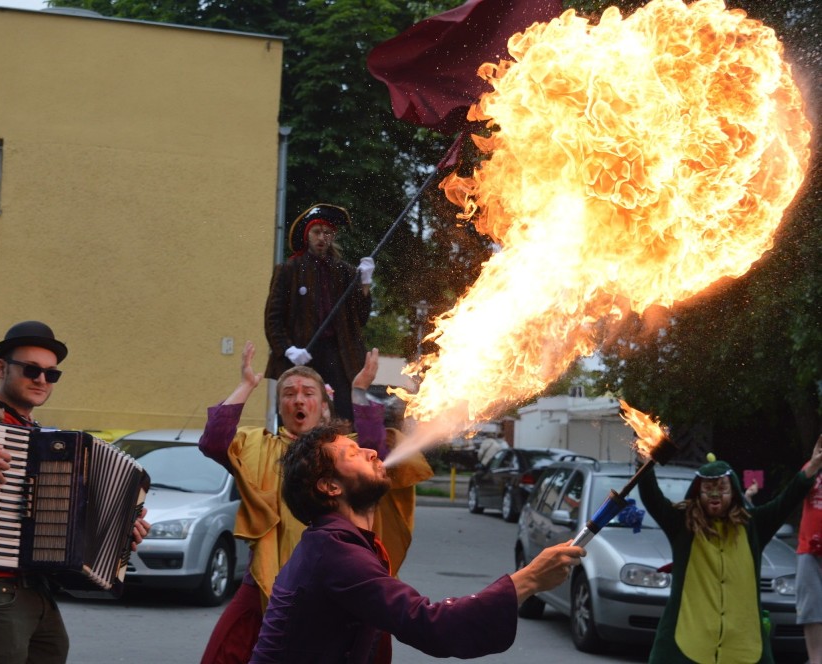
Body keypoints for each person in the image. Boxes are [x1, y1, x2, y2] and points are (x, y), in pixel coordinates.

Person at [251, 424, 585, 662]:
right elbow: (431, 625)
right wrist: (528, 579)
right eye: (352, 453)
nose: (370, 451)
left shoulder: (334, 543)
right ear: (330, 487)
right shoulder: (335, 553)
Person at [198, 342, 431, 664]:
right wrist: (247, 384)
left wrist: (360, 391)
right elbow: (213, 442)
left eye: (308, 392)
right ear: (280, 406)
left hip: (344, 579)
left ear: (324, 405)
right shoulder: (257, 447)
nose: (298, 399)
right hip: (267, 580)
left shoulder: (348, 451)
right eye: (288, 393)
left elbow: (377, 450)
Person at [0, 321, 150, 663]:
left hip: (36, 587)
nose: (41, 380)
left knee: (53, 652)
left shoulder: (35, 434)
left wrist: (123, 529)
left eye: (51, 374)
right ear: (1, 367)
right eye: (31, 370)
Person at [638, 441, 822, 664]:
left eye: (722, 488)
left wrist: (813, 465)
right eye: (708, 489)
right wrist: (644, 461)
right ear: (698, 491)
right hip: (689, 641)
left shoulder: (753, 525)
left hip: (743, 646)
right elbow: (652, 497)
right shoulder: (682, 525)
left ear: (733, 491)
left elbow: (787, 500)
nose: (715, 495)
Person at [264, 203, 375, 422]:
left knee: (341, 417)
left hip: (337, 357)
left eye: (327, 233)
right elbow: (272, 318)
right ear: (308, 235)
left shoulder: (344, 272)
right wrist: (288, 350)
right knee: (301, 416)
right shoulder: (289, 270)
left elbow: (360, 319)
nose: (322, 237)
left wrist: (365, 284)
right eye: (317, 232)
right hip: (301, 356)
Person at [796, 435, 822, 664]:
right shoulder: (812, 469)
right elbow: (795, 491)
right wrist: (814, 463)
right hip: (809, 550)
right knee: (811, 609)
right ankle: (816, 660)